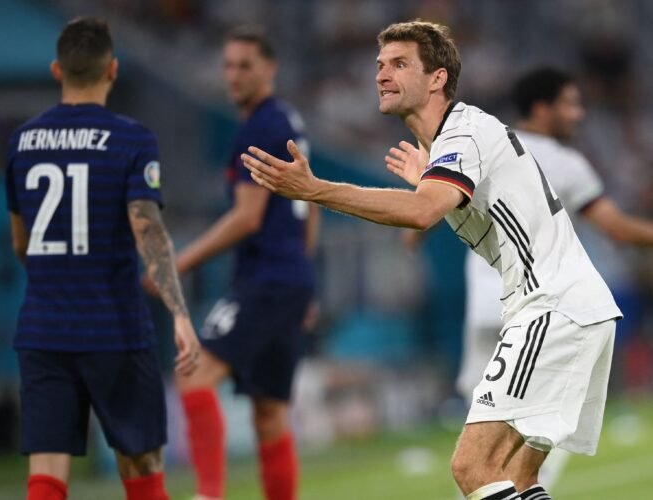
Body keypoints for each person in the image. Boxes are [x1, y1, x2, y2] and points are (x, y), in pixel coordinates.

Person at [242, 20, 621, 500]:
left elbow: (422, 212)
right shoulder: (451, 144)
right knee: (519, 478)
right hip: (572, 307)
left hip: (552, 307)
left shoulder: (464, 132)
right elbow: (449, 206)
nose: (381, 74)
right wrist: (427, 180)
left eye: (399, 64)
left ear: (437, 78)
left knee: (473, 467)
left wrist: (315, 189)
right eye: (379, 65)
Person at [5, 17, 199, 500]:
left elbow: (20, 244)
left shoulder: (22, 143)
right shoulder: (131, 140)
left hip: (44, 329)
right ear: (112, 69)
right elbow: (146, 228)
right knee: (141, 466)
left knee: (46, 471)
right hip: (114, 328)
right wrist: (178, 313)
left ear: (57, 70)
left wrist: (59, 282)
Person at [453, 65, 653, 490]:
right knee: (524, 446)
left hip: (483, 302)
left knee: (478, 439)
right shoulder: (566, 161)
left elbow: (443, 201)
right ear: (542, 109)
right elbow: (615, 226)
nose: (579, 114)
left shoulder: (487, 143)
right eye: (570, 104)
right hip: (534, 304)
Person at [170, 25, 318, 500]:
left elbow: (248, 216)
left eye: (245, 65)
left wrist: (182, 260)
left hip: (266, 279)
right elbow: (310, 203)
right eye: (228, 65)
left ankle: (208, 494)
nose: (233, 75)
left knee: (193, 372)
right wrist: (305, 278)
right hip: (289, 278)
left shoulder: (258, 128)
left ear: (269, 69)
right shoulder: (287, 120)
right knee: (269, 411)